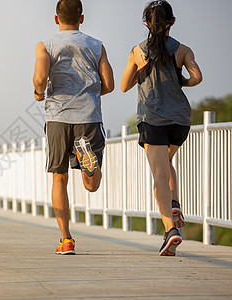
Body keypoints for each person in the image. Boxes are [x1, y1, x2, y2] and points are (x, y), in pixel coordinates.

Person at [121, 0, 202, 256]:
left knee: (158, 174)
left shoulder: (138, 51)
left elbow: (124, 85)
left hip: (152, 117)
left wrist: (141, 73)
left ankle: (170, 230)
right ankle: (174, 202)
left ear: (147, 23)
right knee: (166, 164)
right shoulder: (183, 50)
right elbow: (197, 77)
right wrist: (182, 82)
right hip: (179, 119)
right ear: (172, 22)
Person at [33, 0, 114, 255]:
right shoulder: (97, 46)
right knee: (91, 185)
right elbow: (109, 84)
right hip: (89, 116)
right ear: (82, 18)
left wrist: (38, 92)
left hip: (58, 117)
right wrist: (89, 93)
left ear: (56, 19)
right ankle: (88, 159)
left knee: (59, 177)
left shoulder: (45, 45)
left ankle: (66, 239)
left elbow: (39, 78)